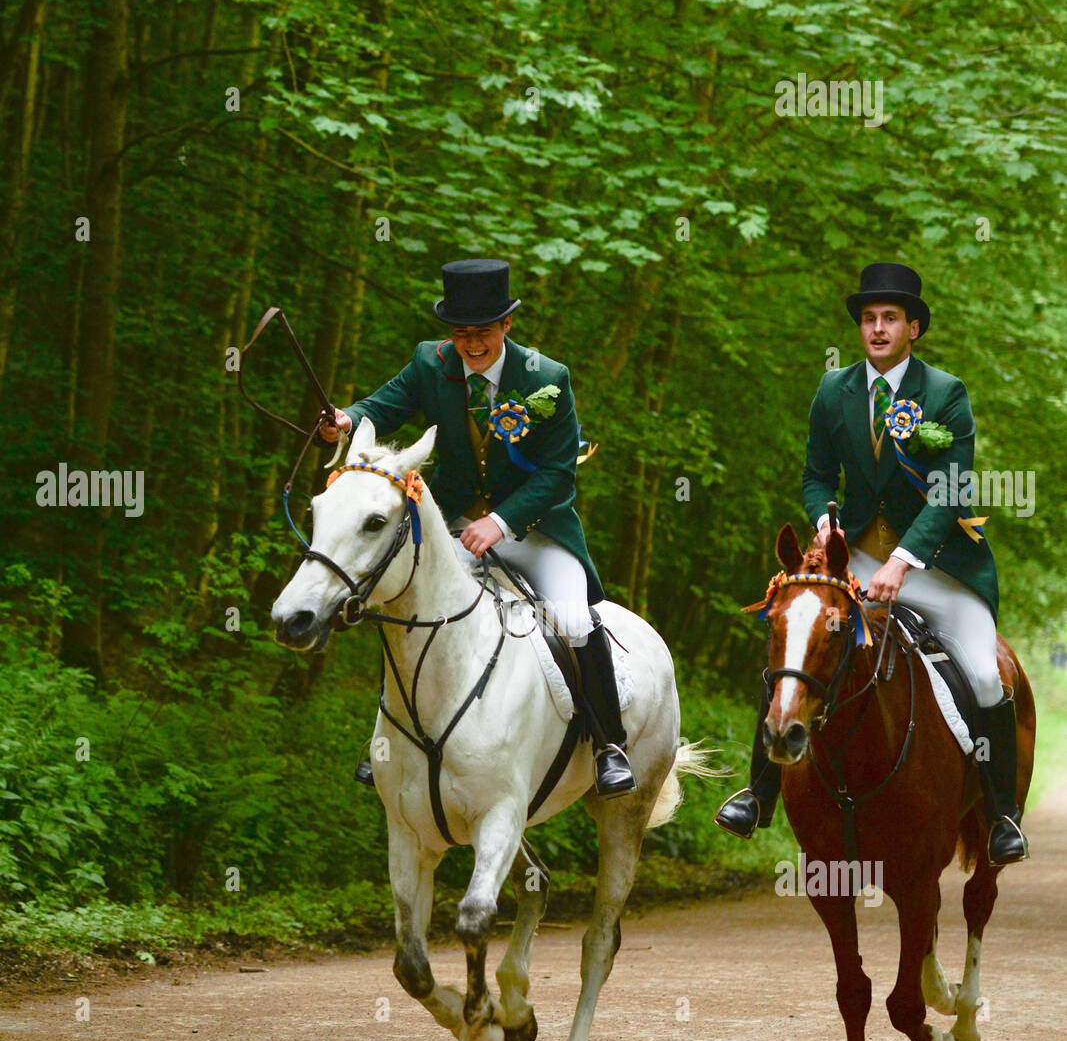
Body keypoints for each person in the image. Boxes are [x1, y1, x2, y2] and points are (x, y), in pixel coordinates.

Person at [715, 262, 1028, 865]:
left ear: (914, 328)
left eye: (890, 319)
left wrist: (904, 561)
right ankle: (758, 794)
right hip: (854, 557)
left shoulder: (946, 394)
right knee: (798, 640)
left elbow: (951, 489)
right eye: (868, 320)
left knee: (988, 677)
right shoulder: (833, 391)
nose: (878, 329)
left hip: (937, 565)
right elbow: (815, 475)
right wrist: (824, 520)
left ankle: (1000, 815)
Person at [318, 257, 636, 798]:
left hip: (536, 531)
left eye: (482, 333)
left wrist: (501, 522)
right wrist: (346, 418)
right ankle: (385, 743)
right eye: (462, 333)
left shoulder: (548, 381)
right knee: (408, 606)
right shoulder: (430, 363)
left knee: (574, 618)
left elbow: (558, 476)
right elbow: (385, 403)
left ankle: (609, 745)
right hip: (457, 522)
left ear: (506, 326)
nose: (471, 344)